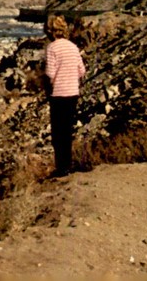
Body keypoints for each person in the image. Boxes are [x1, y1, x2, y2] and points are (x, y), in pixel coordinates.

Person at [44, 14, 86, 177]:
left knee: (57, 133)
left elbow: (50, 73)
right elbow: (81, 71)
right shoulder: (73, 47)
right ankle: (68, 165)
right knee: (68, 131)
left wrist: (49, 87)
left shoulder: (52, 48)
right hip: (72, 93)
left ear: (51, 31)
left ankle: (61, 168)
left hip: (59, 94)